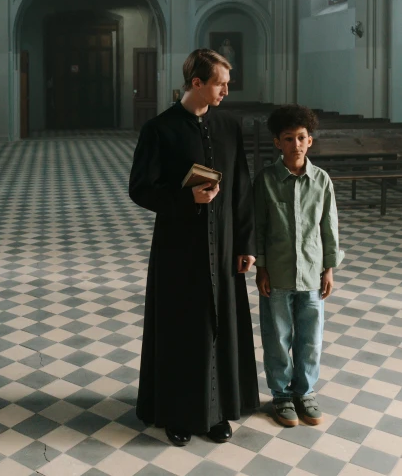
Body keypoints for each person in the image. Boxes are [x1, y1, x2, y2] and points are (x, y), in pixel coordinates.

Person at [129, 48, 259, 447]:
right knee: (182, 328)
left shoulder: (228, 125)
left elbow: (240, 188)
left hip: (222, 245)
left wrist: (245, 244)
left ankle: (217, 412)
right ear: (197, 83)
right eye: (220, 83)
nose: (226, 91)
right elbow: (140, 189)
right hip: (178, 245)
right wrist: (188, 201)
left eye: (227, 83)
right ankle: (177, 413)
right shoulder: (159, 129)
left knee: (221, 325)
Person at [253, 105, 344, 427]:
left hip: (312, 273)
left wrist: (329, 268)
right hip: (276, 273)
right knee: (277, 337)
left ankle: (305, 392)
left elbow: (329, 227)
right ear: (277, 142)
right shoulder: (265, 180)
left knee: (310, 338)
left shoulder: (321, 181)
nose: (296, 144)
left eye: (301, 138)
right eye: (288, 138)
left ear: (310, 141)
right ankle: (280, 394)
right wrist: (261, 268)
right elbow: (259, 228)